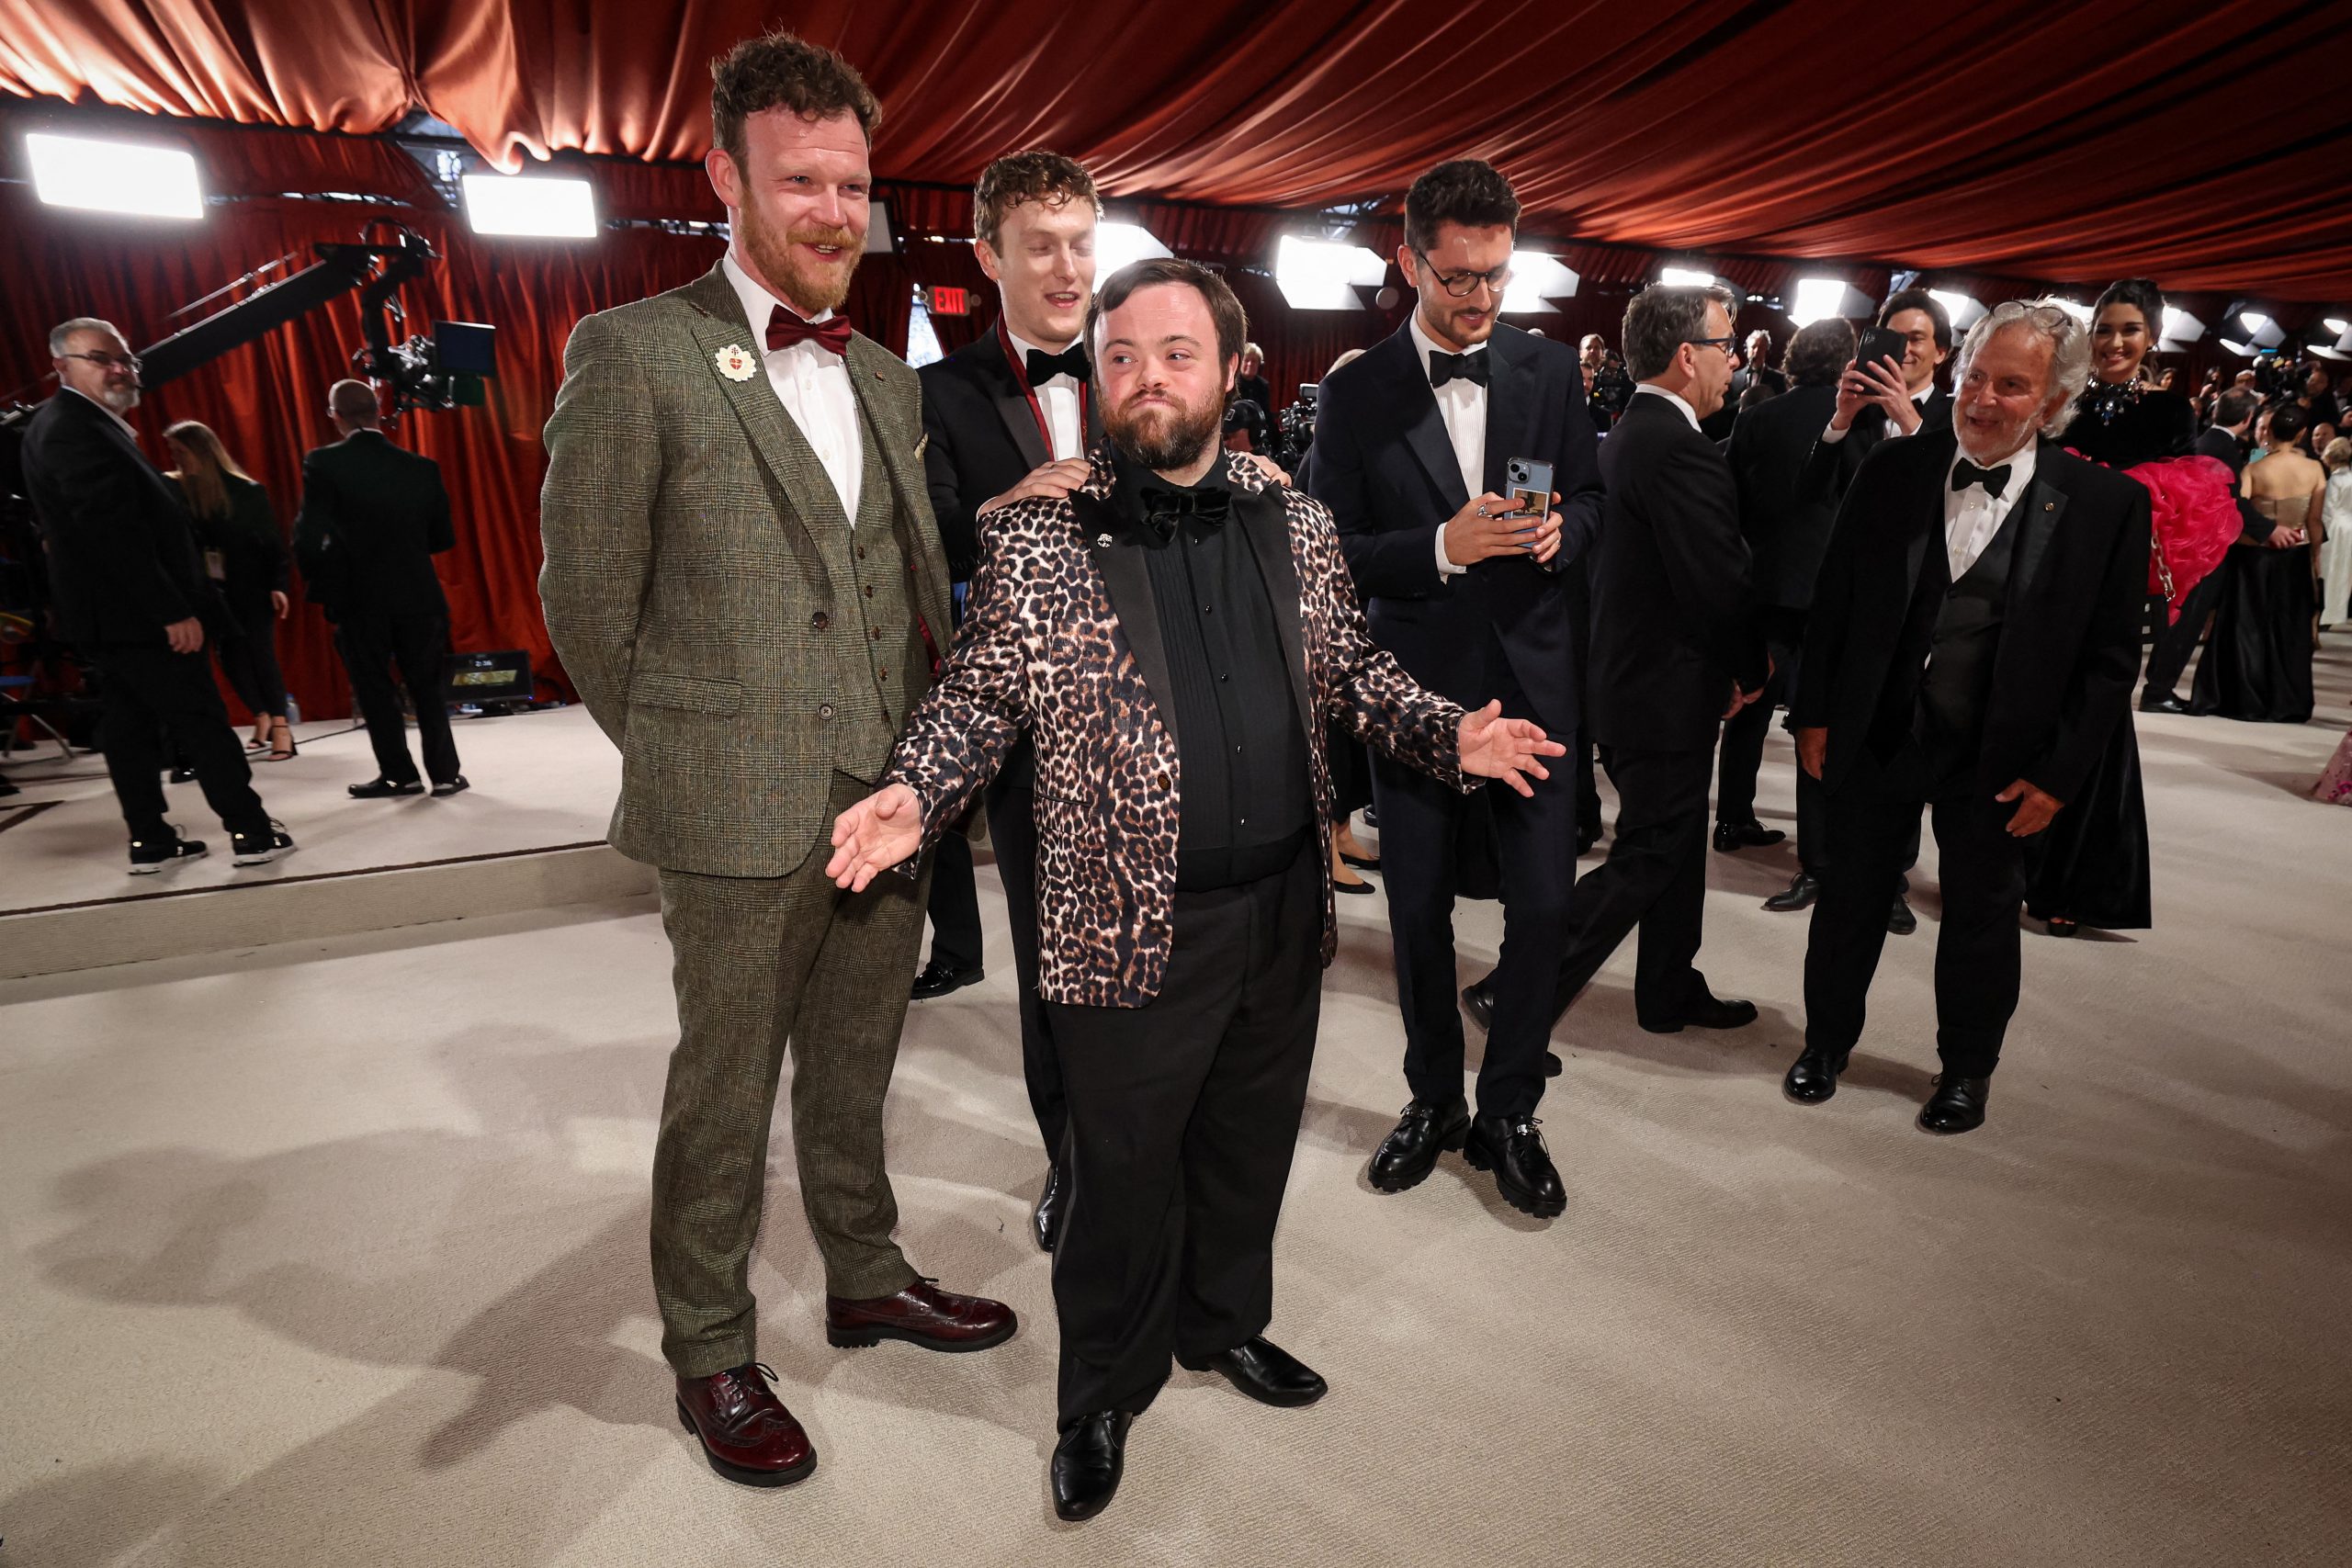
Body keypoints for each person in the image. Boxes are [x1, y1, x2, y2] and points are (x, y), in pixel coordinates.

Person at [825, 257, 1564, 1521]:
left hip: (1282, 900)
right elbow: (983, 687)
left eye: (1174, 353)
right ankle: (1100, 1393)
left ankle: (1223, 1323)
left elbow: (1352, 674)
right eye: (1120, 355)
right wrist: (916, 788)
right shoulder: (1037, 534)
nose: (1143, 376)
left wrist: (1455, 734)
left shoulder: (1300, 520)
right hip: (1125, 915)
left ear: (1232, 371)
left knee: (1246, 1141)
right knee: (1120, 1169)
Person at [537, 29, 1015, 1492]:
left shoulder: (886, 371)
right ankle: (707, 1342)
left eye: (850, 184)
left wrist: (931, 764)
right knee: (725, 1083)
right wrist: (691, 749)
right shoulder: (635, 351)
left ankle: (864, 1271)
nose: (829, 212)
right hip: (734, 802)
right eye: (798, 180)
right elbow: (583, 599)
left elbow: (910, 579)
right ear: (723, 179)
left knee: (863, 1057)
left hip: (887, 794)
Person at [1307, 158, 1603, 1220]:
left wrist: (1571, 529)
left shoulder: (1552, 372)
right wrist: (1438, 544)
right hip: (1417, 700)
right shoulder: (1354, 391)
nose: (1478, 300)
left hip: (1535, 684)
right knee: (1418, 914)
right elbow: (1323, 548)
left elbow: (1600, 499)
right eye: (1457, 278)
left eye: (1496, 277)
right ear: (1409, 262)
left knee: (1540, 908)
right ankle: (1431, 1099)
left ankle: (1510, 1108)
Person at [1787, 299, 2150, 1134]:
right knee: (1850, 898)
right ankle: (1826, 1042)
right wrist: (1813, 714)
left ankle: (1965, 1069)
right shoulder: (1895, 467)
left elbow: (2108, 663)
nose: (1982, 400)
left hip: (2002, 752)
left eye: (2013, 386)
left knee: (1983, 915)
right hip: (1879, 728)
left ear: (2056, 403)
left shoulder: (2105, 506)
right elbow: (1834, 602)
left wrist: (2059, 776)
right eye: (1975, 377)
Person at [911, 147, 1106, 1251]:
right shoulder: (935, 392)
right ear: (990, 257)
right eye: (1041, 246)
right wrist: (1007, 503)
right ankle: (1070, 1160)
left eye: (1082, 242)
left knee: (1164, 954)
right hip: (1028, 727)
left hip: (1153, 715)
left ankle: (1149, 1152)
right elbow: (928, 538)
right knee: (1050, 960)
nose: (1067, 266)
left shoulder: (1141, 367)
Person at [1530, 283, 1770, 1080]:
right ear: (1687, 354)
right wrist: (1750, 666)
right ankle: (1517, 989)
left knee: (1672, 843)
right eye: (1727, 345)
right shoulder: (1678, 449)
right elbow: (1720, 582)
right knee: (1654, 848)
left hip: (1635, 680)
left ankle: (1668, 986)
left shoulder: (1630, 435)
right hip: (1663, 687)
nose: (1735, 362)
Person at [18, 318, 292, 872]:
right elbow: (110, 533)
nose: (120, 368)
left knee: (129, 727)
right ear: (62, 367)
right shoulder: (74, 428)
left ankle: (151, 839)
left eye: (125, 359)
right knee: (200, 720)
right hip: (140, 616)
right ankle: (251, 830)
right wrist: (169, 610)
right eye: (102, 359)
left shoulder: (80, 424)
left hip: (112, 617)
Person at [2022, 280, 2223, 937]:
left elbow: (2176, 509)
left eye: (2129, 330)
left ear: (2152, 338)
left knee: (2095, 719)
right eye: (2105, 328)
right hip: (2036, 572)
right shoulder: (2061, 398)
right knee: (2023, 711)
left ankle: (2075, 884)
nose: (2114, 342)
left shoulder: (2170, 414)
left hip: (2110, 582)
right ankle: (2008, 867)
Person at [1721, 318, 1893, 920]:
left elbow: (1732, 496)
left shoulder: (1757, 413)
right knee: (1815, 718)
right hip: (1830, 589)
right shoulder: (1868, 421)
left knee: (1751, 700)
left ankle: (1731, 818)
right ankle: (1818, 852)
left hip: (1766, 579)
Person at [294, 379, 467, 798]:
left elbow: (306, 536)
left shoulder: (323, 462)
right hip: (417, 594)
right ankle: (445, 775)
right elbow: (441, 539)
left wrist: (325, 579)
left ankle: (398, 774)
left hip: (358, 598)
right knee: (426, 686)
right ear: (377, 411)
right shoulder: (422, 467)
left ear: (335, 415)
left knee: (373, 687)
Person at [163, 421, 295, 761]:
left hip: (250, 584)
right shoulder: (173, 489)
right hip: (207, 590)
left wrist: (279, 586)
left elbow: (273, 545)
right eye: (172, 452)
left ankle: (282, 728)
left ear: (202, 451)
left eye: (181, 451)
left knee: (260, 653)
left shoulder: (246, 490)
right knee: (230, 658)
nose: (175, 458)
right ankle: (261, 716)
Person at [2190, 400, 2320, 722]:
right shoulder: (2315, 470)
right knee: (2289, 631)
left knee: (2247, 628)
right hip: (2296, 554)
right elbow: (2315, 521)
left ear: (2269, 430)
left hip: (2253, 556)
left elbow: (2236, 510)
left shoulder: (2254, 468)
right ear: (2303, 433)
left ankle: (2245, 699)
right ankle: (2286, 702)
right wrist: (2315, 556)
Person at [2143, 389, 2269, 709]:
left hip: (2187, 547)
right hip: (2201, 551)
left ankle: (2158, 689)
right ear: (2248, 419)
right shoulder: (2222, 449)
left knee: (2183, 620)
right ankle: (2158, 691)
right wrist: (2269, 529)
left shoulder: (2208, 441)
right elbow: (2231, 502)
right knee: (2187, 622)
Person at [1798, 287, 1956, 503]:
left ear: (1941, 352)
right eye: (1896, 339)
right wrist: (1841, 419)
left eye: (1916, 339)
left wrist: (1909, 420)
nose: (1904, 350)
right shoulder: (1858, 410)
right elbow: (1809, 492)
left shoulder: (1956, 417)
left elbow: (1946, 492)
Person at [2319, 436, 2352, 629]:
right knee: (2344, 573)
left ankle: (2325, 614)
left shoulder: (2335, 481)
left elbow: (2327, 511)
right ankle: (2336, 612)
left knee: (2329, 571)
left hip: (2335, 529)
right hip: (2350, 528)